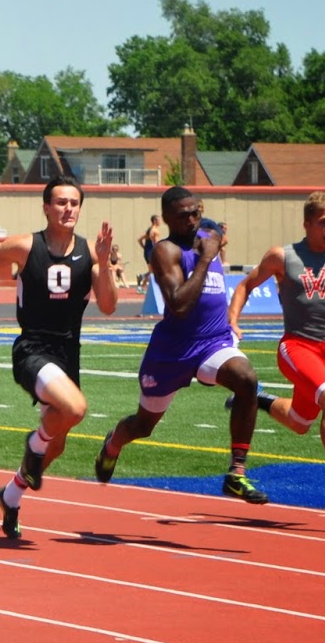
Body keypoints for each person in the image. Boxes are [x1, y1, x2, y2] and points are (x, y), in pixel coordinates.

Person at [0, 175, 117, 539]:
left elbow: (108, 306)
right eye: (61, 202)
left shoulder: (90, 252)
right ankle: (33, 447)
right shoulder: (25, 246)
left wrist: (106, 263)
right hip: (32, 350)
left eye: (74, 203)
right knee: (75, 410)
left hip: (68, 353)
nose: (68, 209)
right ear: (46, 207)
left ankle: (11, 494)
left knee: (58, 441)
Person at [94, 185, 269, 503]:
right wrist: (205, 260)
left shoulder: (207, 233)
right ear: (167, 219)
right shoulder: (166, 251)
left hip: (213, 342)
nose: (190, 220)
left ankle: (237, 472)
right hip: (173, 352)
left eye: (195, 212)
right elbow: (178, 305)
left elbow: (213, 230)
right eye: (182, 215)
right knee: (144, 425)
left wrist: (211, 241)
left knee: (247, 379)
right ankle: (113, 444)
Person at [229, 191, 325, 506]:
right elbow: (245, 285)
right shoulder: (283, 256)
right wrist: (232, 321)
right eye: (323, 222)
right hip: (295, 346)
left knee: (301, 422)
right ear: (307, 223)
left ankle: (255, 397)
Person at [137, 214, 161, 292]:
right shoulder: (155, 230)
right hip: (151, 252)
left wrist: (144, 247)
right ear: (154, 221)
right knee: (153, 271)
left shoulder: (149, 230)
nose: (160, 221)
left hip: (148, 251)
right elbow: (156, 243)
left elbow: (139, 239)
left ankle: (142, 281)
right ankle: (142, 279)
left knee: (153, 271)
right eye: (158, 220)